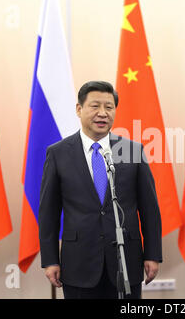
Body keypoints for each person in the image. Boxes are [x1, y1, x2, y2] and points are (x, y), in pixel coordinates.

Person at [38, 81, 162, 299]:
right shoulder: (58, 154)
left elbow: (149, 208)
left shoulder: (132, 150)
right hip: (78, 262)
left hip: (125, 260)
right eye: (95, 106)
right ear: (79, 109)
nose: (102, 113)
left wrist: (153, 254)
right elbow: (48, 213)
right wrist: (50, 259)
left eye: (109, 107)